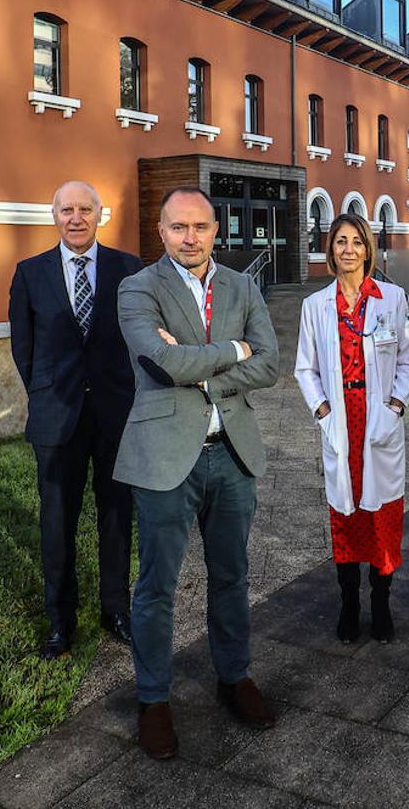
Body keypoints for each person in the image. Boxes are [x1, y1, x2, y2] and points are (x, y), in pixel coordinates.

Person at [115, 186, 279, 760]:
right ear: (160, 231)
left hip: (232, 453)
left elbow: (270, 364)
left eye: (200, 227)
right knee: (157, 586)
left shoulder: (243, 285)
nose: (190, 237)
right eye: (178, 227)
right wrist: (233, 350)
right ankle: (153, 700)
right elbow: (160, 363)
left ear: (217, 231)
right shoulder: (137, 288)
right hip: (163, 457)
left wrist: (204, 364)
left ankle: (234, 677)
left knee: (232, 576)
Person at [8, 181, 141, 660]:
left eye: (86, 209)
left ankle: (116, 611)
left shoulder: (129, 269)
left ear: (99, 215)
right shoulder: (30, 273)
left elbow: (139, 338)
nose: (77, 218)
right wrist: (46, 395)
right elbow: (22, 348)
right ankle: (60, 623)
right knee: (57, 522)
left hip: (114, 415)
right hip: (57, 418)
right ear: (55, 216)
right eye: (68, 210)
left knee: (117, 516)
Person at [295, 213, 409, 645]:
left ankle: (381, 602)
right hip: (340, 421)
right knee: (345, 515)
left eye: (356, 242)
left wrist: (397, 405)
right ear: (330, 251)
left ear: (368, 248)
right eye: (339, 242)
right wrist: (324, 411)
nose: (348, 249)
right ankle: (349, 603)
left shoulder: (393, 298)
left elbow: (408, 357)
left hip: (379, 417)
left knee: (381, 514)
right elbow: (305, 368)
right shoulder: (315, 306)